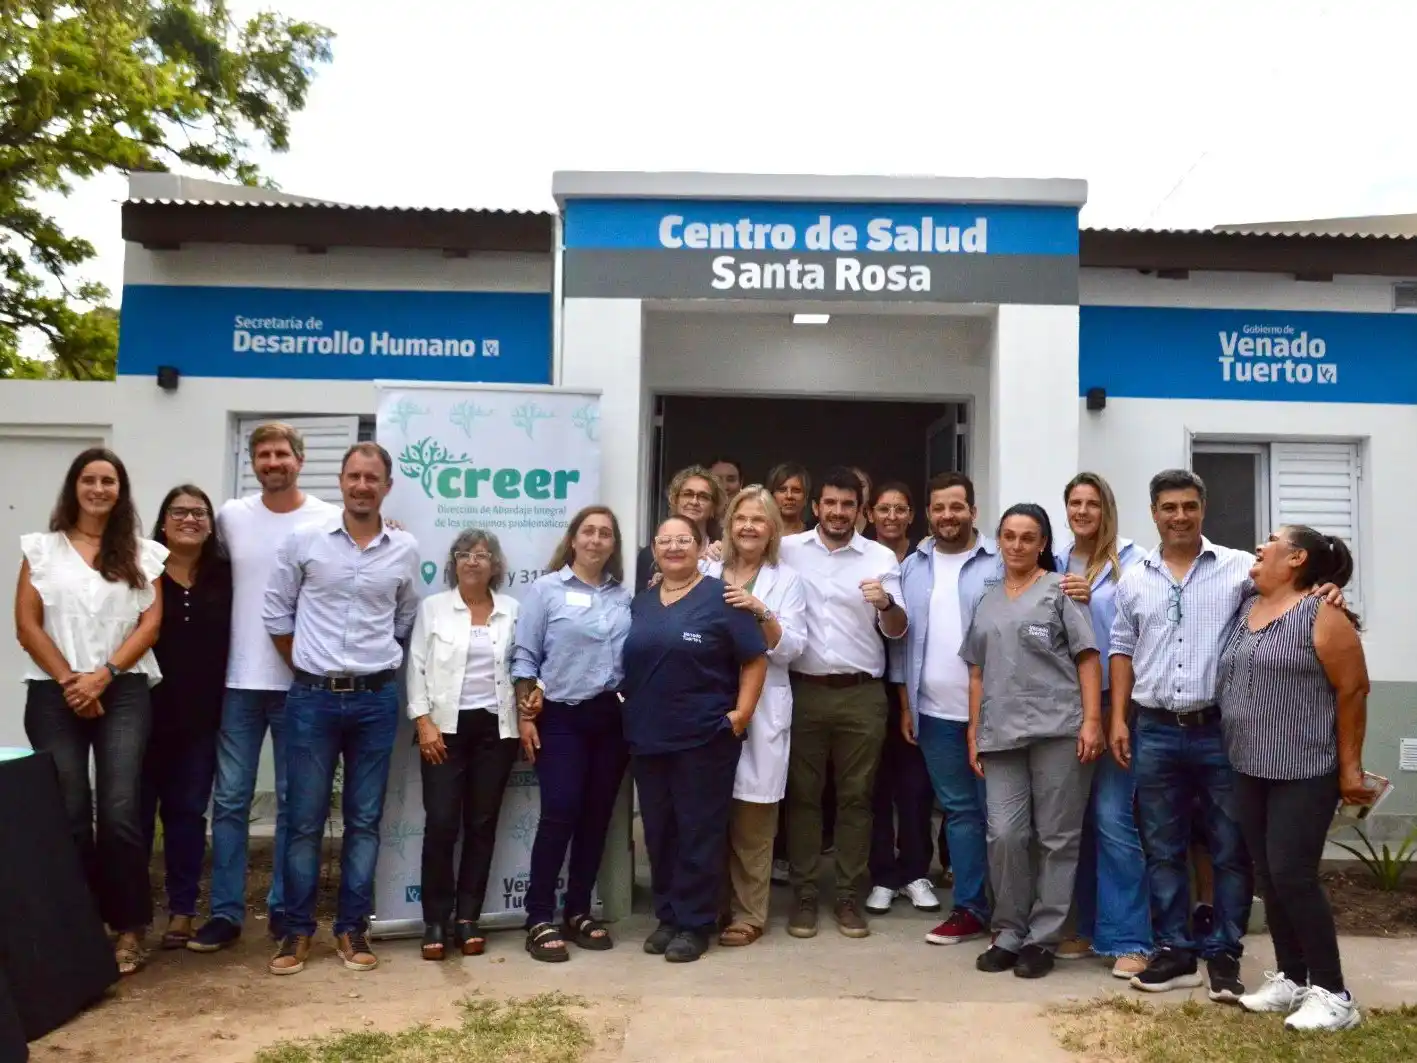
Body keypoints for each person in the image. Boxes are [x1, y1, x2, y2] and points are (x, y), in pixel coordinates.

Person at [1109, 469, 1344, 1002]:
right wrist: (1118, 717)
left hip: (1221, 731)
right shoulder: (1134, 578)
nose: (1180, 516)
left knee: (1231, 847)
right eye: (1169, 507)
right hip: (1156, 729)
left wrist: (1328, 588)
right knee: (1163, 846)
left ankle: (1223, 953)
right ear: (1154, 513)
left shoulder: (1240, 569)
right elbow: (1120, 649)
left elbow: (1292, 592)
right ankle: (1175, 949)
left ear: (1203, 508)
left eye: (1190, 505)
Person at [262, 443, 419, 976]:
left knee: (365, 821)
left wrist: (366, 668)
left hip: (376, 700)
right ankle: (296, 932)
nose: (362, 486)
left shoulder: (403, 548)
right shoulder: (304, 540)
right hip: (311, 700)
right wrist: (313, 668)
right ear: (341, 480)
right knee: (304, 821)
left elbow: (403, 619)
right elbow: (277, 615)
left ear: (387, 486)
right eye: (354, 476)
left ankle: (352, 929)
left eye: (372, 478)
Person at [14, 447, 167, 976]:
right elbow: (27, 625)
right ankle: (79, 929)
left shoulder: (142, 553)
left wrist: (102, 675)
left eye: (109, 481)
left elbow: (150, 625)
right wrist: (69, 681)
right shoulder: (41, 549)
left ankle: (128, 928)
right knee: (70, 814)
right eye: (89, 480)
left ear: (121, 491)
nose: (99, 489)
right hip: (54, 690)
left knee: (121, 812)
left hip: (121, 688)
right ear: (73, 487)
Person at [190, 422, 338, 953]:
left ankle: (283, 907)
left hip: (302, 683)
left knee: (297, 803)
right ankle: (226, 912)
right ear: (254, 462)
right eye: (263, 454)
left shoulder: (327, 518)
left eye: (282, 453)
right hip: (238, 679)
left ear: (299, 459)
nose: (273, 461)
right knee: (230, 800)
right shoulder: (232, 517)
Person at [1223, 527, 1372, 1031]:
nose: (1258, 546)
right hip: (1248, 766)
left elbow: (1353, 690)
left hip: (1305, 770)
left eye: (1270, 540)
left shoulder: (1323, 613)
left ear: (1297, 558)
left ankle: (1334, 994)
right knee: (1268, 875)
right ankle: (1292, 977)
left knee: (1293, 875)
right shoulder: (1248, 606)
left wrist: (1350, 768)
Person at [965, 504, 1104, 980]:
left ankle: (1042, 939)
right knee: (1004, 834)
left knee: (1056, 838)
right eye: (1009, 536)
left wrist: (1092, 721)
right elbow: (978, 670)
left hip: (1059, 730)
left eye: (1028, 537)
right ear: (999, 541)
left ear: (1043, 543)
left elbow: (1088, 658)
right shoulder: (986, 599)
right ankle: (1008, 931)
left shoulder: (1061, 592)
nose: (1018, 545)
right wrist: (972, 728)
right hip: (1000, 733)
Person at [624, 515, 767, 963]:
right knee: (660, 831)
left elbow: (755, 658)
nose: (673, 548)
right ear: (654, 547)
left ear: (701, 545)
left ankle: (696, 922)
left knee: (698, 831)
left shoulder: (722, 599)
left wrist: (740, 715)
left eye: (683, 540)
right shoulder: (641, 603)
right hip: (648, 738)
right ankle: (668, 916)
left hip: (704, 739)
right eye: (664, 540)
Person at [779, 467, 907, 940]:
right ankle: (805, 896)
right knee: (803, 798)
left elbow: (897, 630)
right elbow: (742, 555)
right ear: (816, 507)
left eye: (847, 505)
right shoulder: (788, 549)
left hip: (861, 696)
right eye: (829, 503)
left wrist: (885, 605)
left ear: (861, 509)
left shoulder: (878, 556)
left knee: (858, 798)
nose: (837, 512)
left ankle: (849, 896)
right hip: (804, 690)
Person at [513, 506, 632, 963]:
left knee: (596, 815)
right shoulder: (546, 591)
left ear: (613, 545)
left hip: (611, 718)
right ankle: (539, 916)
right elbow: (524, 656)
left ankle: (578, 910)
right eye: (589, 531)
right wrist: (526, 714)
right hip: (559, 716)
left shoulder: (623, 597)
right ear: (574, 538)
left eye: (606, 533)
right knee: (560, 811)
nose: (597, 540)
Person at [1052, 473, 1152, 978]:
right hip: (1063, 705)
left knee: (1115, 819)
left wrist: (1116, 717)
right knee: (1077, 823)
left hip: (1116, 704)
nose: (1083, 511)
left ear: (1107, 508)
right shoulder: (1055, 560)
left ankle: (1131, 937)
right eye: (1075, 502)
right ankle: (1087, 927)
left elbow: (1127, 638)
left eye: (1092, 503)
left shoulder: (1133, 562)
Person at [406, 529, 520, 960]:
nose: (473, 561)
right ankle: (434, 919)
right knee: (441, 824)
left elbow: (527, 662)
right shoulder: (433, 609)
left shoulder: (512, 611)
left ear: (495, 564)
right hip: (444, 731)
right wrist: (423, 721)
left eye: (482, 554)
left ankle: (467, 918)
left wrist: (534, 692)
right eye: (465, 554)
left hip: (497, 731)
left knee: (482, 824)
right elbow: (415, 666)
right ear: (453, 563)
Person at [705, 486, 806, 946]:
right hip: (706, 702)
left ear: (772, 530)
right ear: (728, 525)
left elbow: (793, 648)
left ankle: (748, 914)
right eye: (741, 518)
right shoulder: (705, 569)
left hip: (763, 707)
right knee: (706, 814)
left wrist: (760, 610)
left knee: (752, 818)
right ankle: (708, 908)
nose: (748, 527)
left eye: (758, 520)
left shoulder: (785, 580)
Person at [142, 485, 232, 951]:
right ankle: (130, 919)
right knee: (132, 819)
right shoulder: (141, 572)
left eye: (199, 512)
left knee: (186, 816)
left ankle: (181, 911)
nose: (190, 519)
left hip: (199, 721)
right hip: (139, 717)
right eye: (179, 511)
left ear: (211, 524)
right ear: (163, 521)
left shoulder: (225, 576)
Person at [865, 482, 941, 916]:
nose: (891, 516)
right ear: (871, 515)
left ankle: (915, 871)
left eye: (900, 509)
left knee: (915, 787)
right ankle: (881, 875)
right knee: (876, 787)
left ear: (912, 515)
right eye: (883, 509)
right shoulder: (863, 559)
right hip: (870, 687)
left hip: (914, 690)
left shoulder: (921, 565)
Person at [635, 466, 725, 592]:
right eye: (687, 494)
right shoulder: (650, 555)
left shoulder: (723, 551)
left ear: (713, 507)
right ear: (675, 501)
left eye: (703, 497)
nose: (694, 502)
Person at [767, 462, 811, 537]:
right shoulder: (762, 535)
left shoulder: (815, 537)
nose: (789, 496)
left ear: (806, 498)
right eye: (782, 490)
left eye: (796, 490)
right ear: (771, 496)